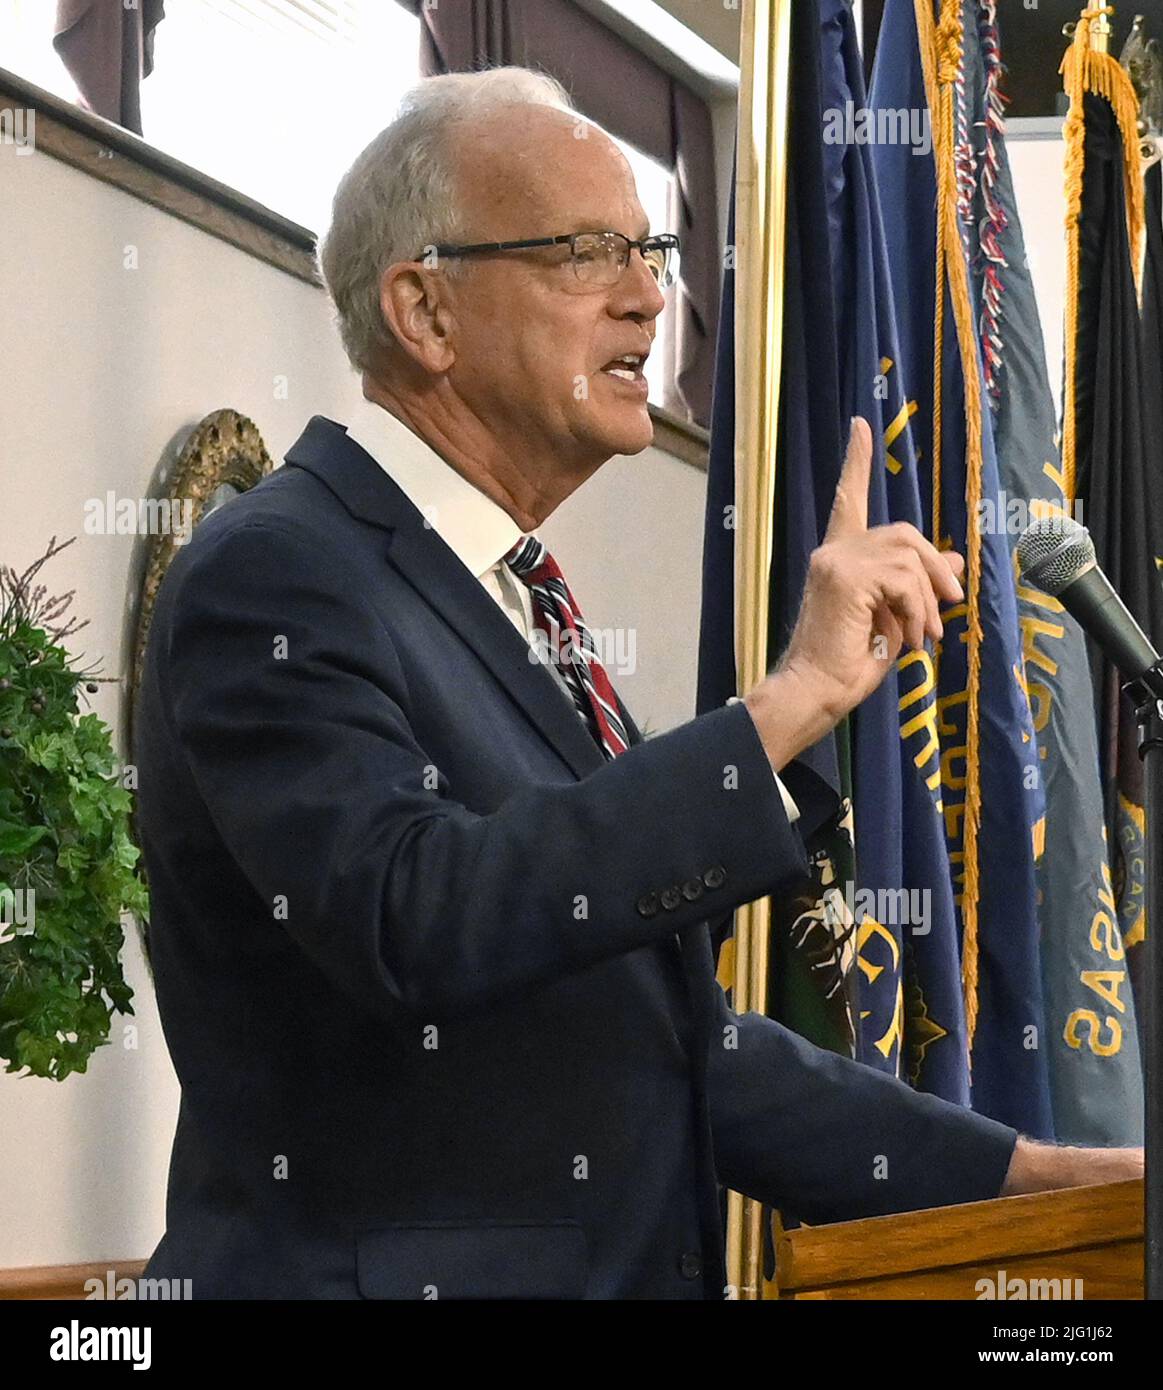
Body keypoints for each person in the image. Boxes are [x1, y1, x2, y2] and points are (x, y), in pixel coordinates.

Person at [136, 67, 1142, 1300]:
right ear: (424, 310)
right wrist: (781, 709)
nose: (650, 295)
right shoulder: (280, 573)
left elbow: (659, 1044)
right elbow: (416, 914)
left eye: (650, 248)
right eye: (586, 252)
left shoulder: (512, 597)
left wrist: (1029, 1179)